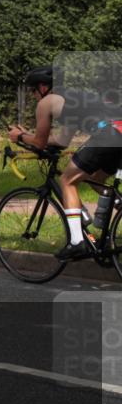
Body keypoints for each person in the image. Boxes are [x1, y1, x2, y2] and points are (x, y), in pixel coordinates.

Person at [8, 66, 122, 260]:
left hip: (106, 135)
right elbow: (62, 141)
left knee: (67, 180)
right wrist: (29, 136)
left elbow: (39, 142)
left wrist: (19, 136)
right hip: (118, 132)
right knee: (95, 179)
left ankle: (76, 242)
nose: (34, 96)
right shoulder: (73, 99)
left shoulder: (46, 102)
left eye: (33, 90)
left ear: (43, 87)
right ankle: (116, 208)